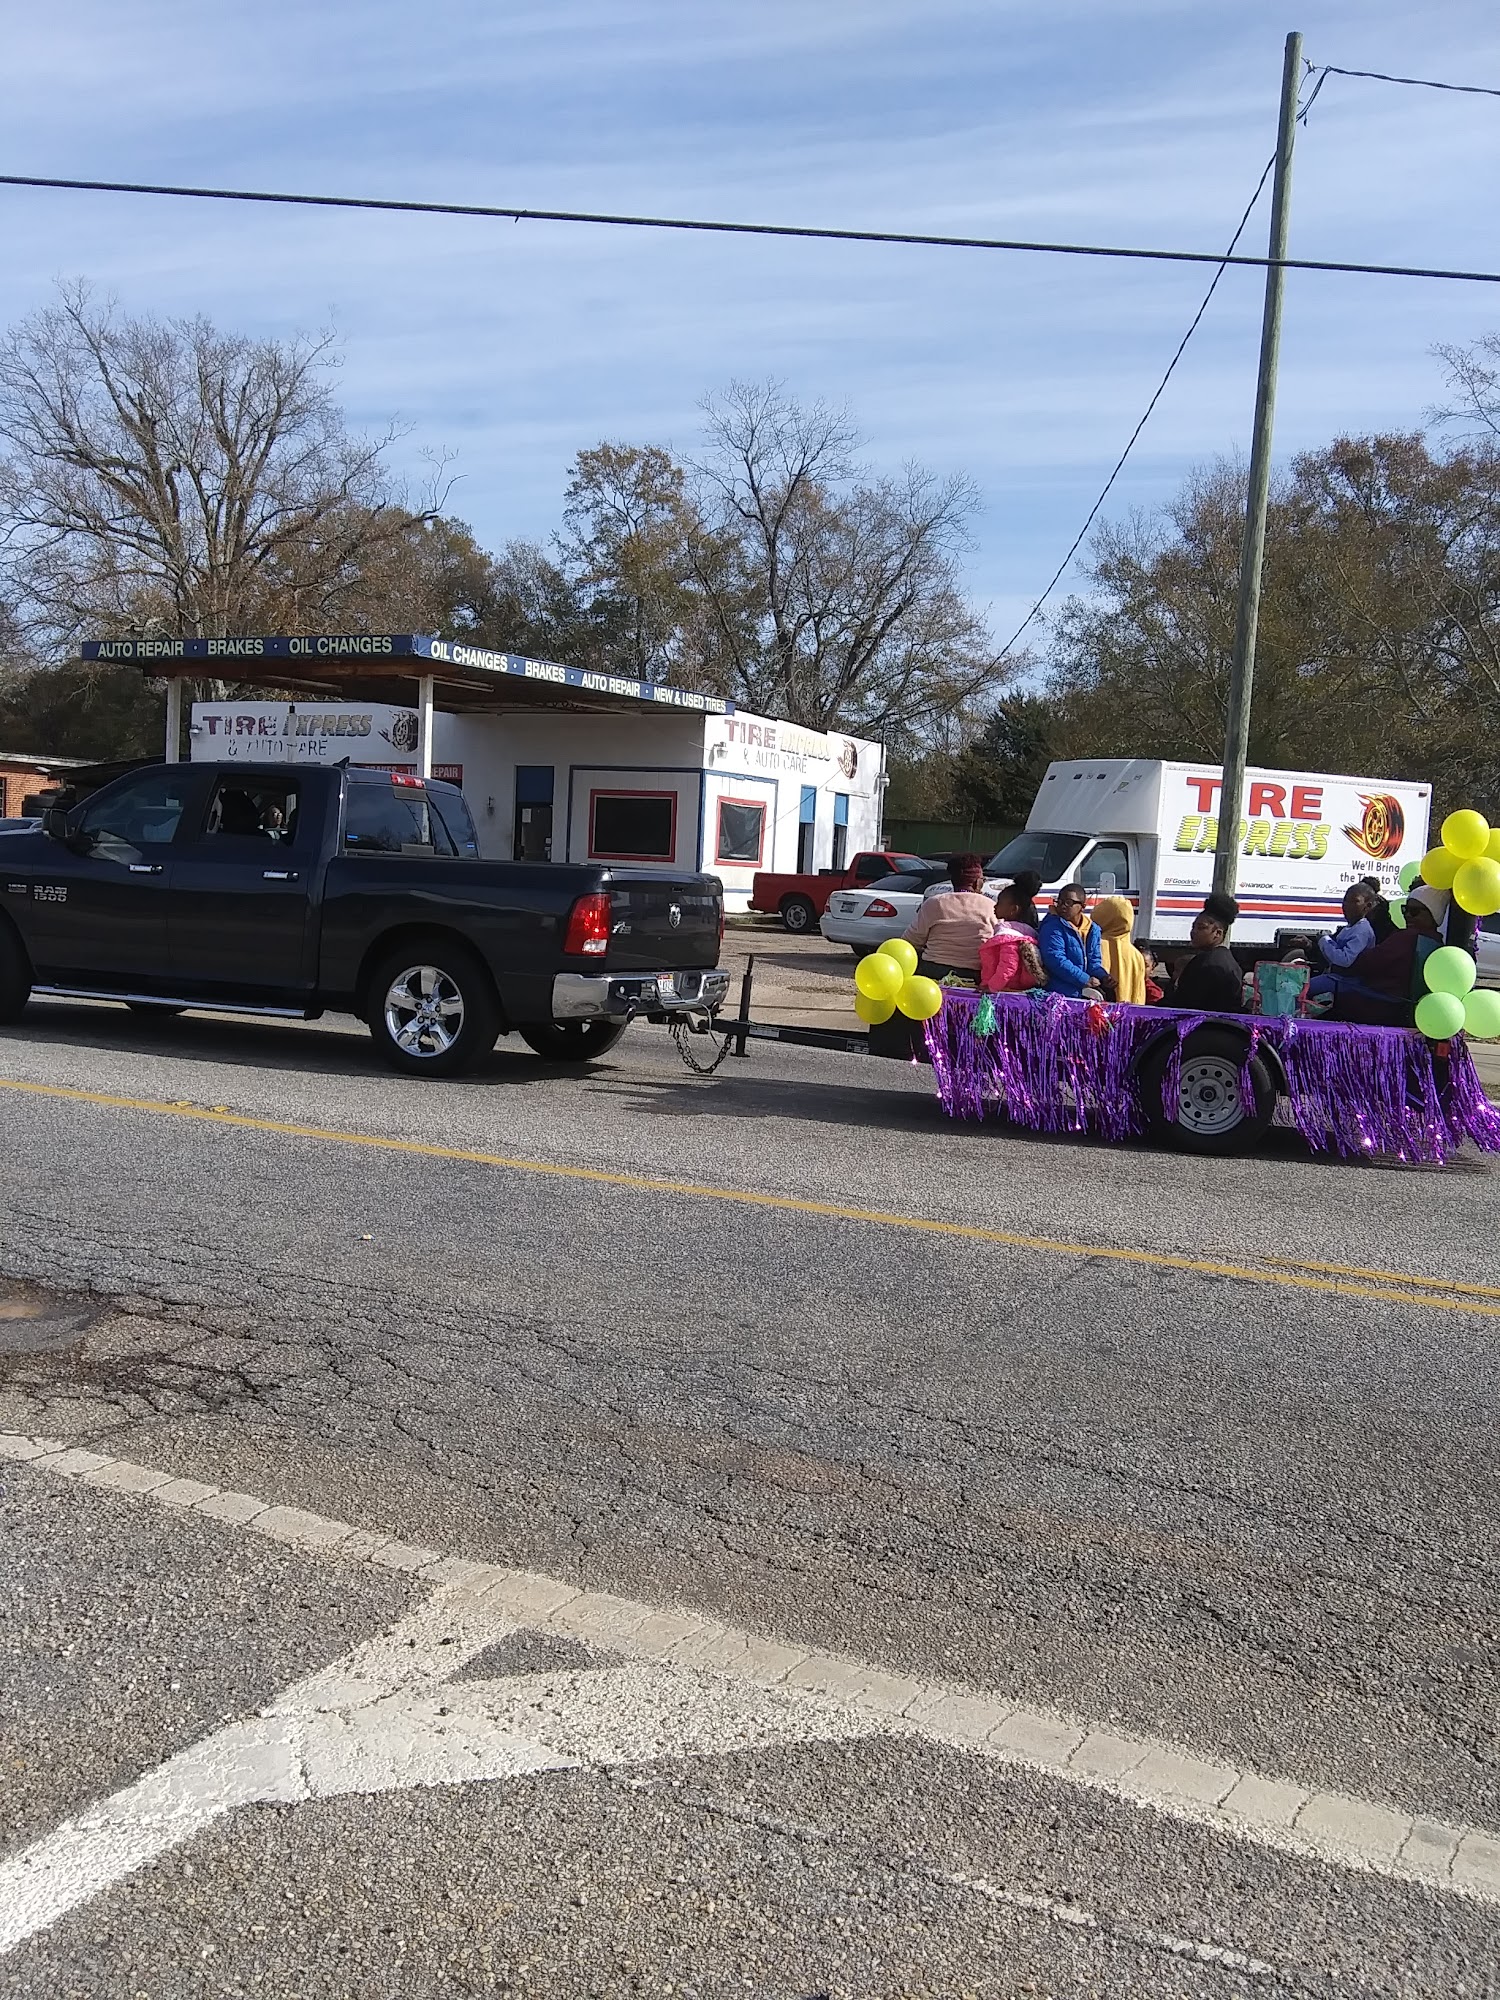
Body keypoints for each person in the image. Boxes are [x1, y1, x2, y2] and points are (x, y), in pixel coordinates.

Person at [901, 853, 995, 983]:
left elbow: (910, 940)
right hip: (975, 975)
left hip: (934, 972)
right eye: (983, 880)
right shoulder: (991, 907)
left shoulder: (935, 903)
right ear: (977, 882)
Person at [1161, 892, 1245, 1013]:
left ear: (1217, 933)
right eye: (1193, 927)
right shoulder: (1231, 962)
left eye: (1201, 927)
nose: (1193, 932)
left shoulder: (1205, 964)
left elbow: (1185, 1005)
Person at [1038, 883, 1113, 999]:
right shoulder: (1052, 926)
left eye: (1068, 903)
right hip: (1058, 994)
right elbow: (1055, 959)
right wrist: (1085, 979)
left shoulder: (1093, 929)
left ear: (1083, 906)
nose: (1062, 906)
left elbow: (1094, 962)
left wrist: (1103, 977)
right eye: (1060, 901)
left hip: (1081, 993)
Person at [979, 878, 1045, 993]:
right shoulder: (1025, 933)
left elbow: (1008, 965)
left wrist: (991, 987)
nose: (995, 906)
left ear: (1013, 909)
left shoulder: (1008, 936)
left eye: (999, 903)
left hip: (1007, 989)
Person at [1091, 895, 1147, 1005]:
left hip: (1098, 1015)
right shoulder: (1136, 955)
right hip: (1126, 1016)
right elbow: (1139, 994)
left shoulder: (1095, 944)